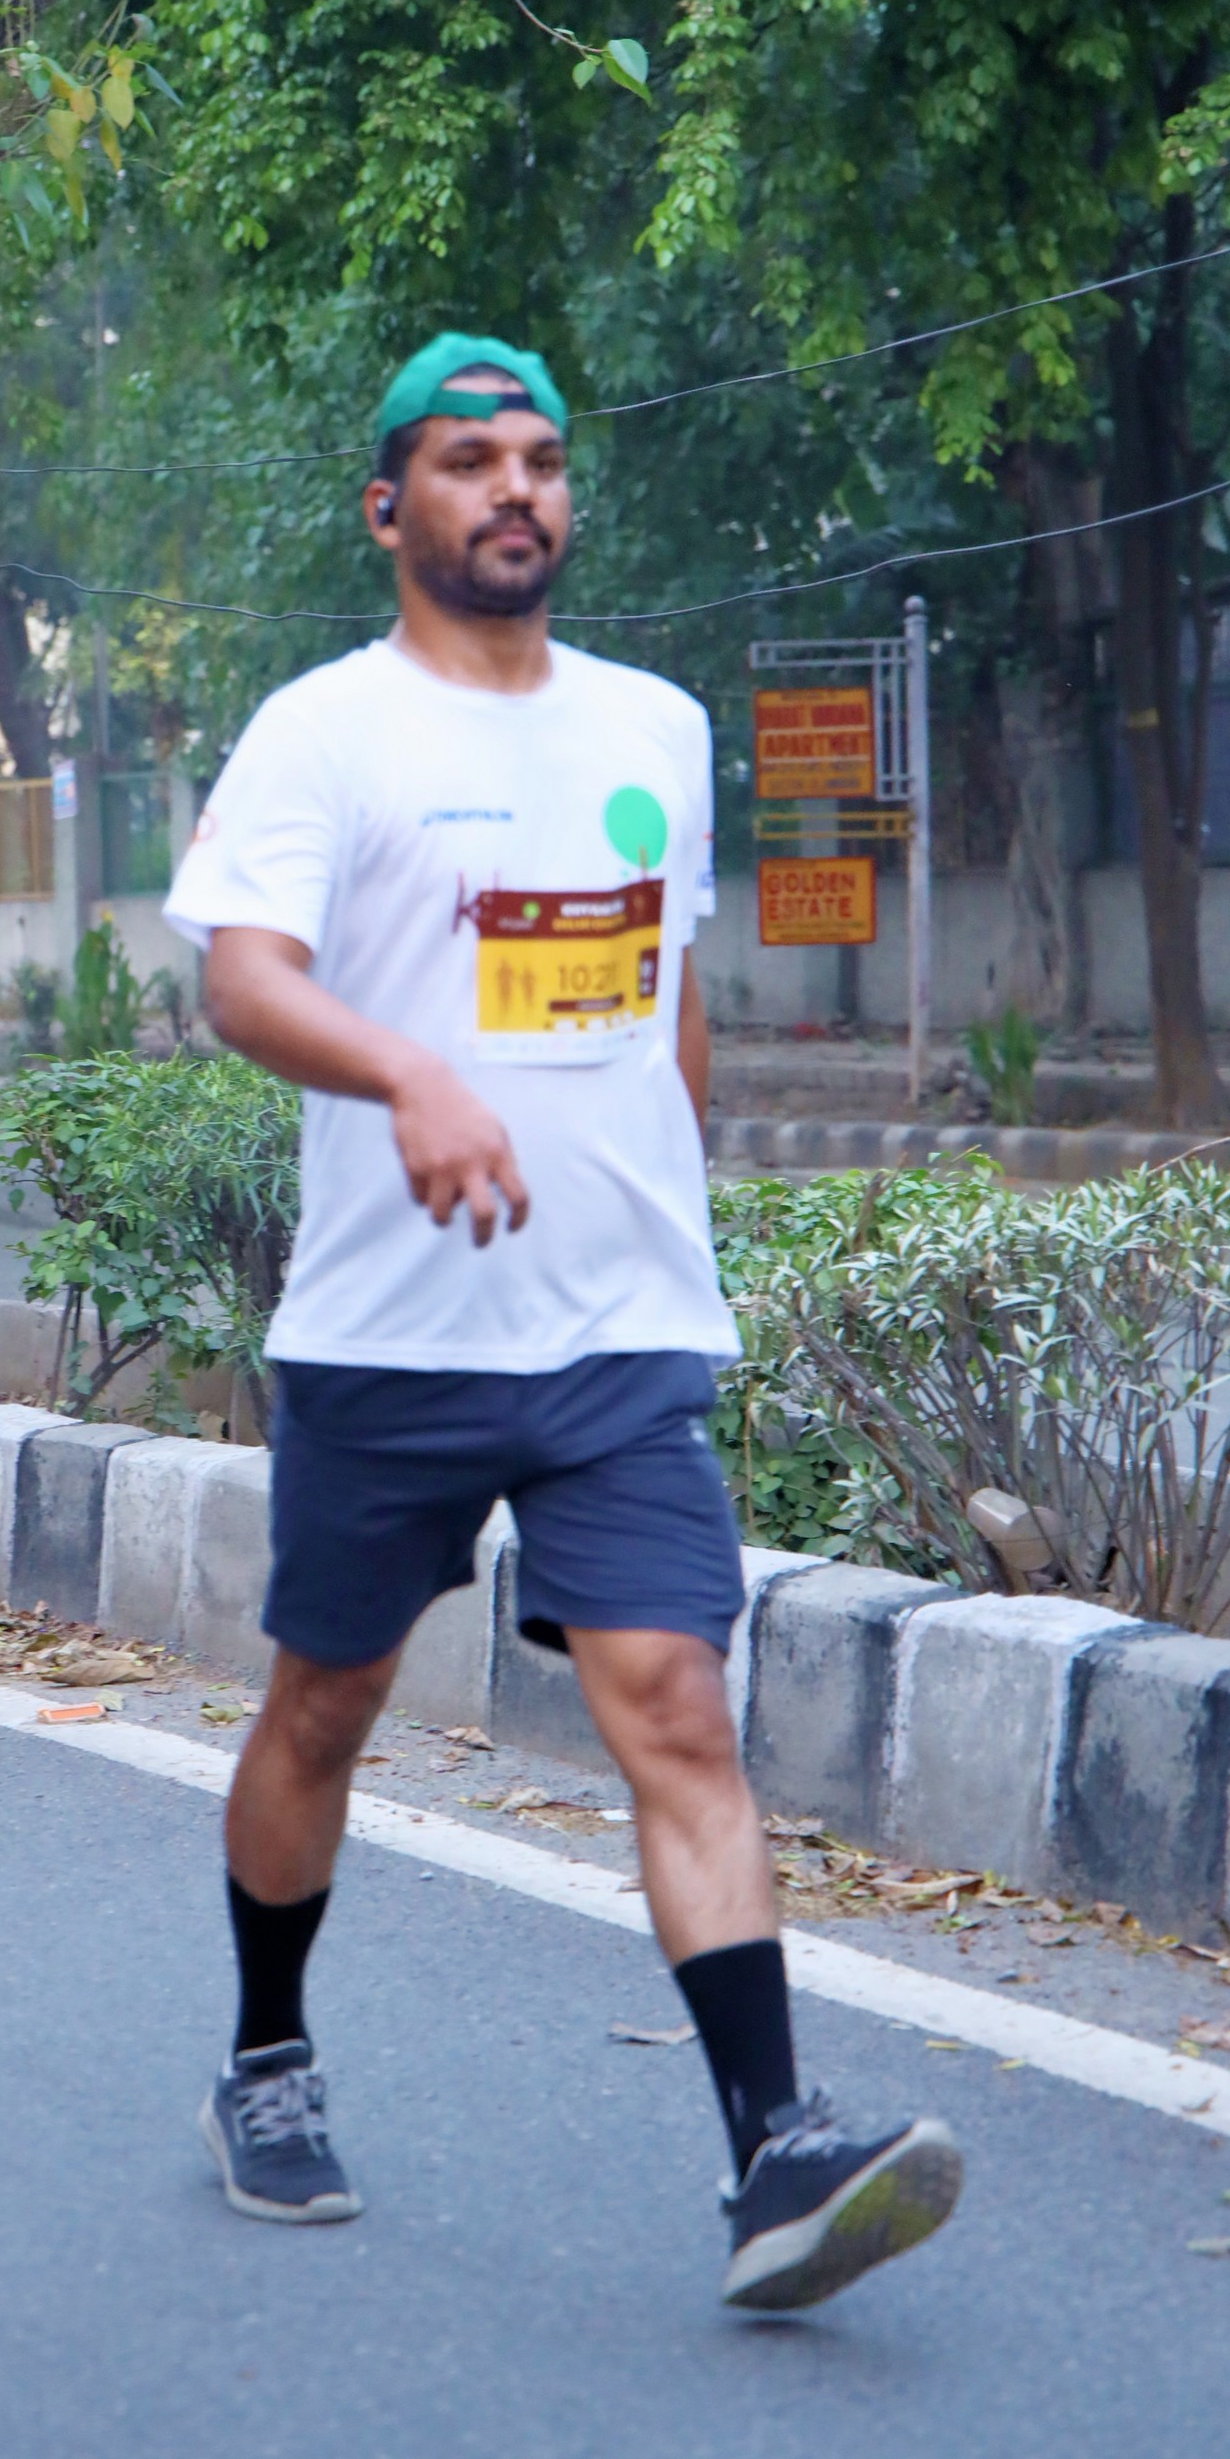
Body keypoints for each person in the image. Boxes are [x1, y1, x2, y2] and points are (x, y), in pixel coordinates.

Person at [162, 331, 963, 2312]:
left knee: (676, 1705)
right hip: (390, 1341)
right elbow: (243, 981)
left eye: (536, 459)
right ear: (391, 509)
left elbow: (664, 996)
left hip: (613, 1335)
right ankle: (266, 2054)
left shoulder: (655, 729)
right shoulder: (326, 734)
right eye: (468, 462)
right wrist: (413, 1079)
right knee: (324, 1709)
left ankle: (773, 2154)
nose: (512, 487)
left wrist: (676, 1213)